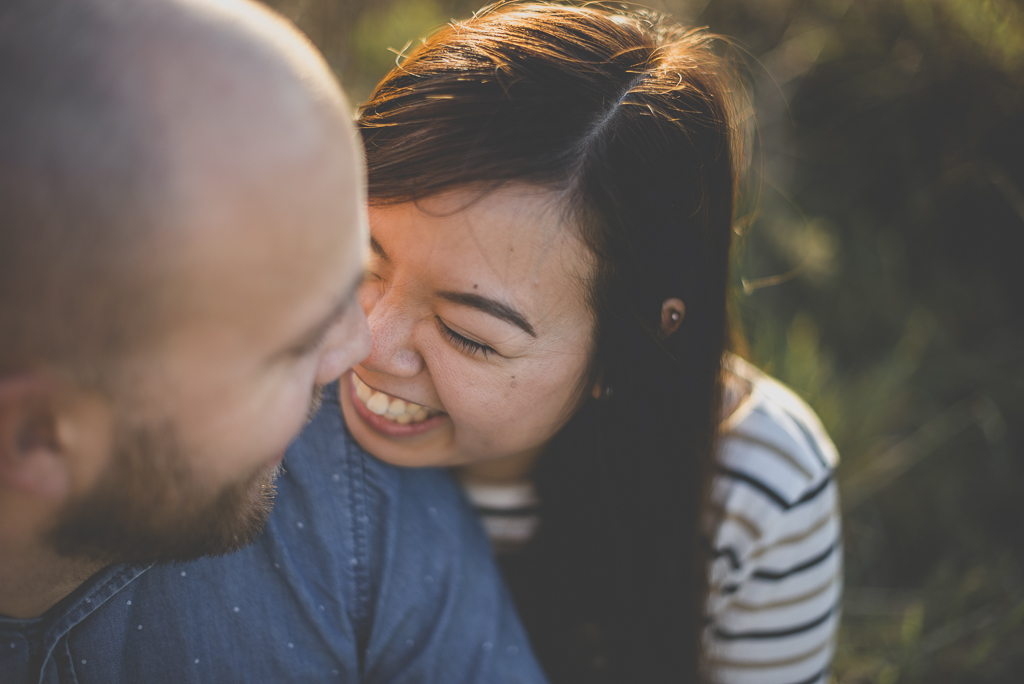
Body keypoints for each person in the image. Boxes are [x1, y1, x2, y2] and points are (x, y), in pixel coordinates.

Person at [0, 1, 546, 682]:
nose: (359, 350)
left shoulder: (360, 504)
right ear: (38, 437)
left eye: (357, 277)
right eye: (291, 348)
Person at [347, 4, 841, 684]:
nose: (369, 343)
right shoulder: (256, 386)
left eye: (468, 335)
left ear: (626, 347)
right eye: (361, 260)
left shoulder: (756, 490)